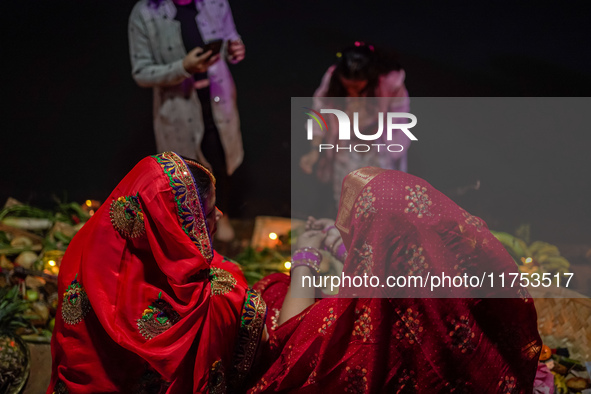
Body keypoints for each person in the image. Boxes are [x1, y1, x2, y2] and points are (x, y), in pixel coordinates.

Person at [248, 167, 542, 393]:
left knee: (276, 289)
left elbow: (291, 338)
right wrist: (343, 244)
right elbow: (396, 257)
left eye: (360, 228)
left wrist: (305, 256)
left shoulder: (367, 328)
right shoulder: (463, 278)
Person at [47, 152, 266, 393]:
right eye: (209, 212)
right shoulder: (214, 295)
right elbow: (260, 337)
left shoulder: (80, 254)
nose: (219, 215)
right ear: (174, 226)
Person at [128, 0, 245, 241]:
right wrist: (183, 67)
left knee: (221, 161)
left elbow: (230, 39)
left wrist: (234, 50)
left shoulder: (216, 3)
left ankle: (221, 217)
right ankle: (189, 232)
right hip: (179, 107)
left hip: (217, 99)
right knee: (185, 173)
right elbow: (141, 72)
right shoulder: (144, 13)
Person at [300, 42, 411, 209]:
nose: (351, 90)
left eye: (357, 86)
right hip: (345, 148)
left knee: (383, 201)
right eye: (347, 85)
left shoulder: (390, 81)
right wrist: (314, 150)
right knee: (347, 202)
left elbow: (401, 119)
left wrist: (391, 152)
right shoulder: (333, 78)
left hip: (379, 148)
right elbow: (318, 112)